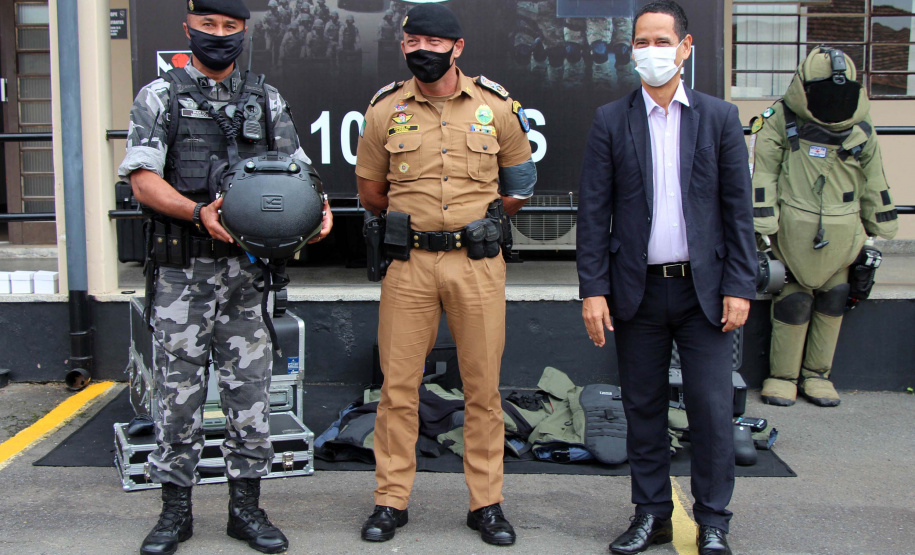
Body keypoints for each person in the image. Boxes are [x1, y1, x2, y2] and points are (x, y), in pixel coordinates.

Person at [117, 1, 332, 553]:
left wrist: (317, 211)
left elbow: (300, 171)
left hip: (247, 274)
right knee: (177, 396)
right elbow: (142, 179)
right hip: (182, 274)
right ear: (188, 29)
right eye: (208, 26)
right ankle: (175, 513)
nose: (219, 35)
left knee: (250, 393)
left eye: (229, 27)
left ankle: (246, 510)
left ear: (243, 32)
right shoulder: (160, 96)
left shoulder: (266, 98)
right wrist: (197, 213)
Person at [354, 2, 537, 547]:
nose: (422, 51)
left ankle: (486, 504)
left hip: (475, 264)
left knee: (482, 390)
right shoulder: (385, 110)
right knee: (397, 389)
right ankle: (391, 501)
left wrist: (479, 224)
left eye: (434, 43)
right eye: (413, 42)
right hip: (408, 264)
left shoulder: (495, 107)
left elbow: (519, 186)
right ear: (403, 46)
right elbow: (371, 192)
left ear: (457, 48)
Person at [576, 2, 755, 554]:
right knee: (643, 408)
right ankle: (650, 514)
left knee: (711, 410)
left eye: (661, 40)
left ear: (685, 47)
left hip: (707, 293)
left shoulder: (719, 118)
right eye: (641, 41)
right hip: (638, 291)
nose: (650, 51)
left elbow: (738, 211)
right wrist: (593, 290)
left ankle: (714, 520)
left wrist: (741, 285)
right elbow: (593, 213)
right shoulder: (611, 120)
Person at [752, 47, 898, 407]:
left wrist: (879, 220)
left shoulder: (861, 126)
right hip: (792, 233)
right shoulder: (781, 118)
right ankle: (783, 376)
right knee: (793, 302)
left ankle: (817, 375)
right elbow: (764, 173)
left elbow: (874, 178)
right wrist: (760, 223)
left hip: (843, 233)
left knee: (834, 300)